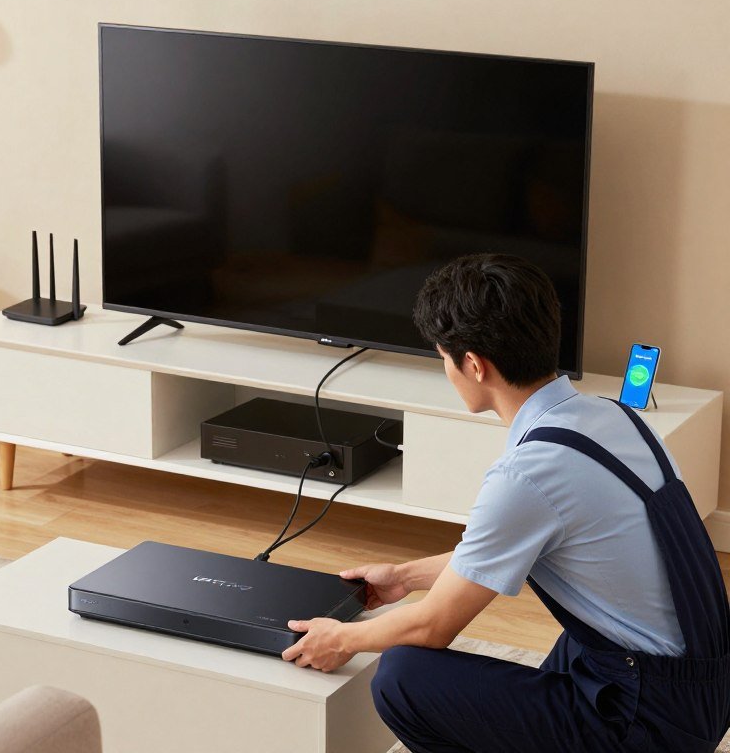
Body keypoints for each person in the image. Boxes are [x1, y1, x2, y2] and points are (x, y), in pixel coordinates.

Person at [281, 254, 730, 752]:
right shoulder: (613, 418)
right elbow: (500, 552)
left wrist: (339, 638)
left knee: (403, 676)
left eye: (444, 358)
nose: (446, 370)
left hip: (654, 721)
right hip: (703, 686)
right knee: (573, 642)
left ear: (473, 364)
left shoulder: (529, 473)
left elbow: (433, 626)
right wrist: (404, 577)